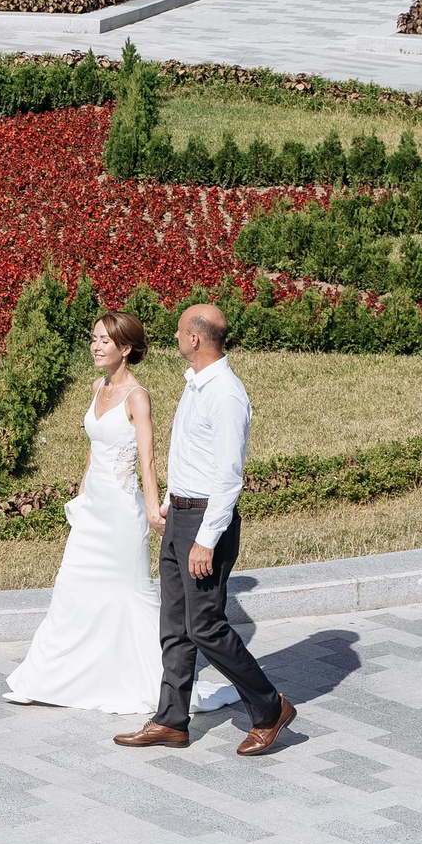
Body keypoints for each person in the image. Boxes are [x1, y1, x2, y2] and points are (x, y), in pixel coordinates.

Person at [4, 314, 236, 714]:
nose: (95, 347)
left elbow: (147, 459)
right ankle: (51, 677)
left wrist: (152, 508)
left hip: (121, 515)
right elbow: (95, 450)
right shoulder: (98, 387)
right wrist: (80, 496)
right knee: (72, 588)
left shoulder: (137, 397)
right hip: (92, 511)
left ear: (125, 348)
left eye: (104, 342)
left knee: (125, 594)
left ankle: (149, 681)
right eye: (93, 339)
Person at [115, 304, 296, 756]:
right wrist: (171, 506)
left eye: (179, 331)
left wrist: (205, 539)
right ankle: (171, 721)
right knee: (174, 626)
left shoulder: (226, 394)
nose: (175, 337)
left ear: (196, 339)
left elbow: (229, 477)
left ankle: (271, 709)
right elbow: (196, 460)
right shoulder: (196, 386)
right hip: (182, 514)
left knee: (206, 628)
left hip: (205, 522)